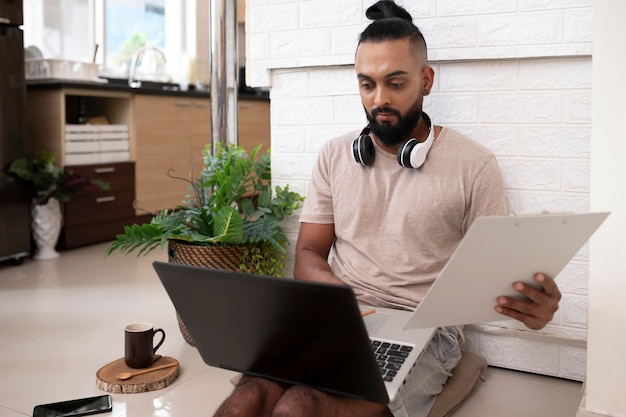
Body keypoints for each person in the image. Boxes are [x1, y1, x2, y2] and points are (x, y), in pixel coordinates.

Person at [213, 1, 561, 416]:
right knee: (246, 399)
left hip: (423, 330)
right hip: (339, 318)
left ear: (426, 80)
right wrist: (334, 296)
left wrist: (531, 309)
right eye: (367, 84)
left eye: (396, 83)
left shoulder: (474, 165)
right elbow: (307, 254)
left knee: (299, 406)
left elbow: (494, 278)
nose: (380, 99)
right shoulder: (334, 155)